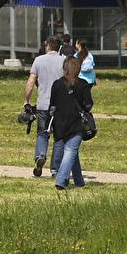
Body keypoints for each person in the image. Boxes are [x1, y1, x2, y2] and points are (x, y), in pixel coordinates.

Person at [48, 57, 94, 190]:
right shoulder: (83, 84)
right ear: (78, 69)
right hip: (76, 124)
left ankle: (79, 180)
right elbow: (89, 104)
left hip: (60, 124)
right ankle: (61, 181)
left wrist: (49, 125)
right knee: (70, 151)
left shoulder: (57, 84)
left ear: (65, 68)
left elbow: (52, 106)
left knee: (72, 152)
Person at [23, 35, 66, 178]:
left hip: (43, 104)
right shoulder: (64, 61)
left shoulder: (38, 60)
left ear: (47, 46)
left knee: (42, 133)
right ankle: (55, 170)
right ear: (59, 47)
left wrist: (26, 100)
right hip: (60, 104)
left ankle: (40, 155)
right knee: (59, 137)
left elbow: (31, 81)